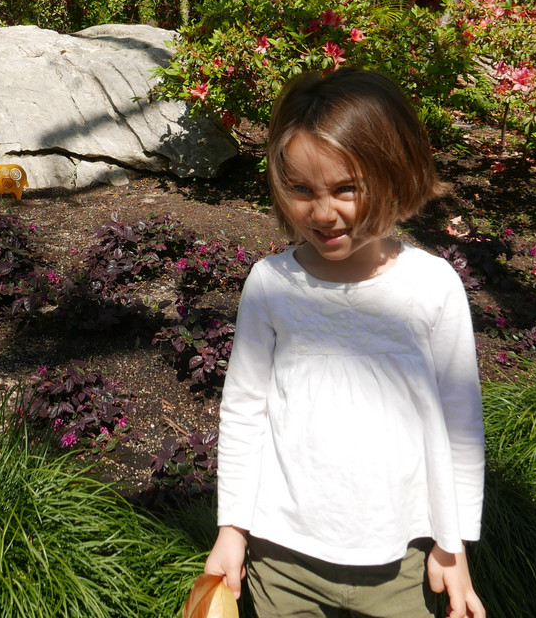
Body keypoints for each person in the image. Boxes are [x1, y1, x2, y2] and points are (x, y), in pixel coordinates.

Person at [204, 68, 485, 618]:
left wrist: (453, 546)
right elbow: (244, 410)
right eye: (302, 190)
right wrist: (231, 528)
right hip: (282, 561)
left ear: (396, 175)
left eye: (346, 188)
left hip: (402, 563)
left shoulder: (431, 286)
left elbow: (461, 422)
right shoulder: (271, 285)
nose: (323, 212)